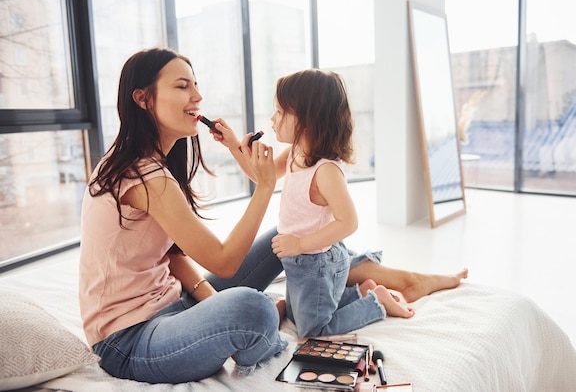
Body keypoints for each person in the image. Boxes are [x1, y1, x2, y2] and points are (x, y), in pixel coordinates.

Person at [79, 47, 287, 384]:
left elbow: (171, 255)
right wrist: (264, 187)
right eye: (182, 86)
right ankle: (266, 336)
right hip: (129, 342)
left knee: (283, 238)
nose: (198, 96)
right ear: (143, 98)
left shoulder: (149, 164)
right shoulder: (144, 175)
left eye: (195, 85)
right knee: (254, 308)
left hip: (174, 303)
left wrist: (208, 299)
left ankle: (269, 316)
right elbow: (224, 262)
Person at [210, 69, 468, 339]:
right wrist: (232, 146)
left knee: (313, 330)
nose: (272, 119)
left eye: (279, 112)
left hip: (317, 262)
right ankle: (363, 290)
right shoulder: (295, 152)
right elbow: (261, 176)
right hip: (297, 260)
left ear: (306, 119)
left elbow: (349, 222)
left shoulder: (326, 171)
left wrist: (299, 244)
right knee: (304, 314)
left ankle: (376, 303)